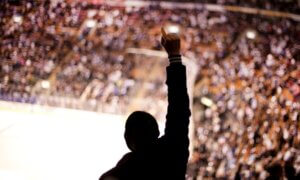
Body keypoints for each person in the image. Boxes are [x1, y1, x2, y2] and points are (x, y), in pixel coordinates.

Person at [99, 28, 191, 180]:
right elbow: (179, 109)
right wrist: (174, 56)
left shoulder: (129, 166)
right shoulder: (174, 150)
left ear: (127, 139)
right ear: (156, 133)